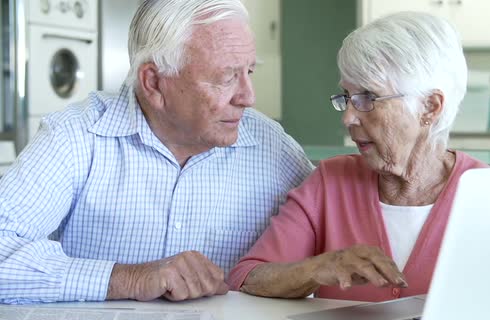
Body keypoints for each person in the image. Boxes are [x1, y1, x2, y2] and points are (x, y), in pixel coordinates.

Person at [0, 0, 313, 304]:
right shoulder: (75, 137)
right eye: (226, 77)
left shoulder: (272, 148)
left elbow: (340, 237)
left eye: (249, 72)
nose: (248, 97)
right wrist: (128, 278)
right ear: (154, 83)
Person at [228, 11, 490, 302]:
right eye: (347, 97)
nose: (349, 118)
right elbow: (248, 277)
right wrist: (318, 268)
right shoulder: (330, 183)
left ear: (429, 106)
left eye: (368, 98)